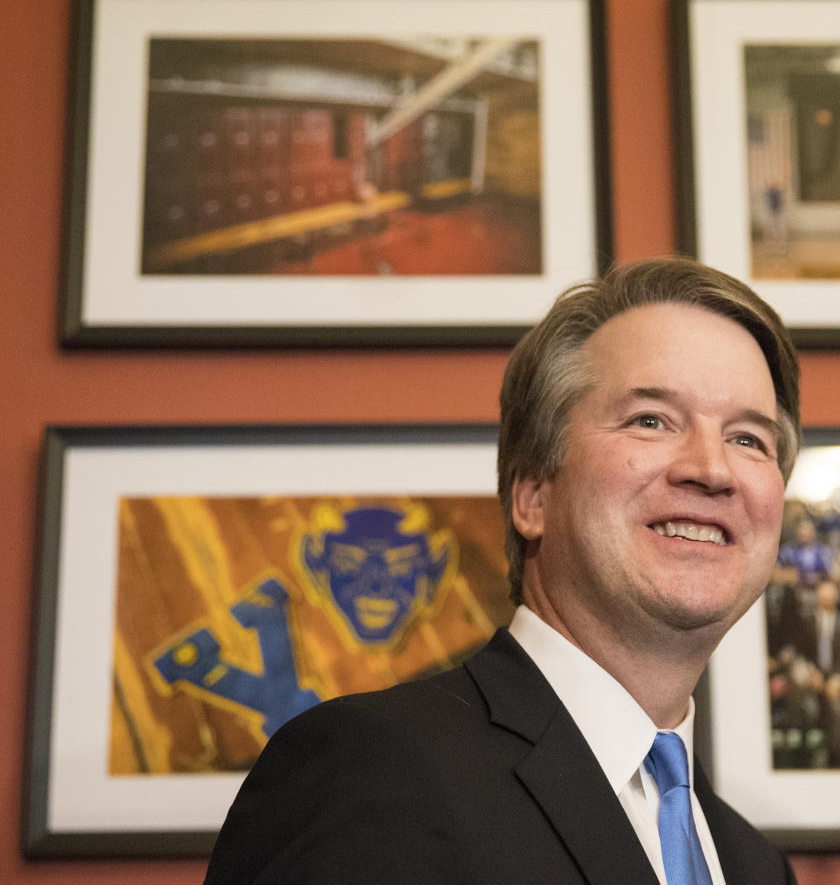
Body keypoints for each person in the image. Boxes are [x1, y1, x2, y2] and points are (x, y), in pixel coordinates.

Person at [203, 259, 801, 884]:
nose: (712, 468)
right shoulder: (371, 771)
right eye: (649, 420)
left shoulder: (755, 866)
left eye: (748, 439)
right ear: (533, 497)